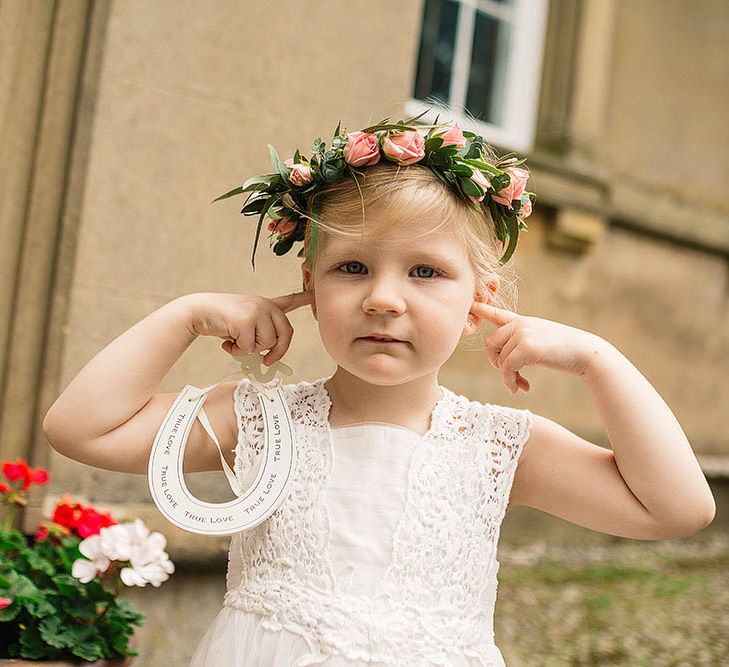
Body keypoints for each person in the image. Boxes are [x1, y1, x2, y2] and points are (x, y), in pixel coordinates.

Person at [41, 112, 716, 667]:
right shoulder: (258, 418)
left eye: (424, 271)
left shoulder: (497, 446)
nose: (383, 299)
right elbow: (81, 427)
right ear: (310, 283)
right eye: (353, 267)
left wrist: (600, 361)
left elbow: (675, 509)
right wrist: (184, 315)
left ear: (479, 299)